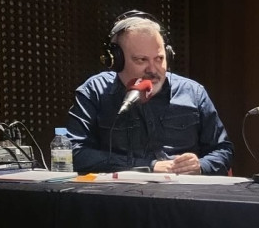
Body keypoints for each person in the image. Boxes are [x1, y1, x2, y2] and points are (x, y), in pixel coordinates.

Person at [67, 12, 233, 175]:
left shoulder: (193, 93)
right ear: (116, 60)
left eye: (159, 59)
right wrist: (148, 166)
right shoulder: (94, 91)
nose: (153, 70)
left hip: (182, 196)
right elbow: (73, 153)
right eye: (142, 60)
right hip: (120, 197)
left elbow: (223, 151)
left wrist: (200, 166)